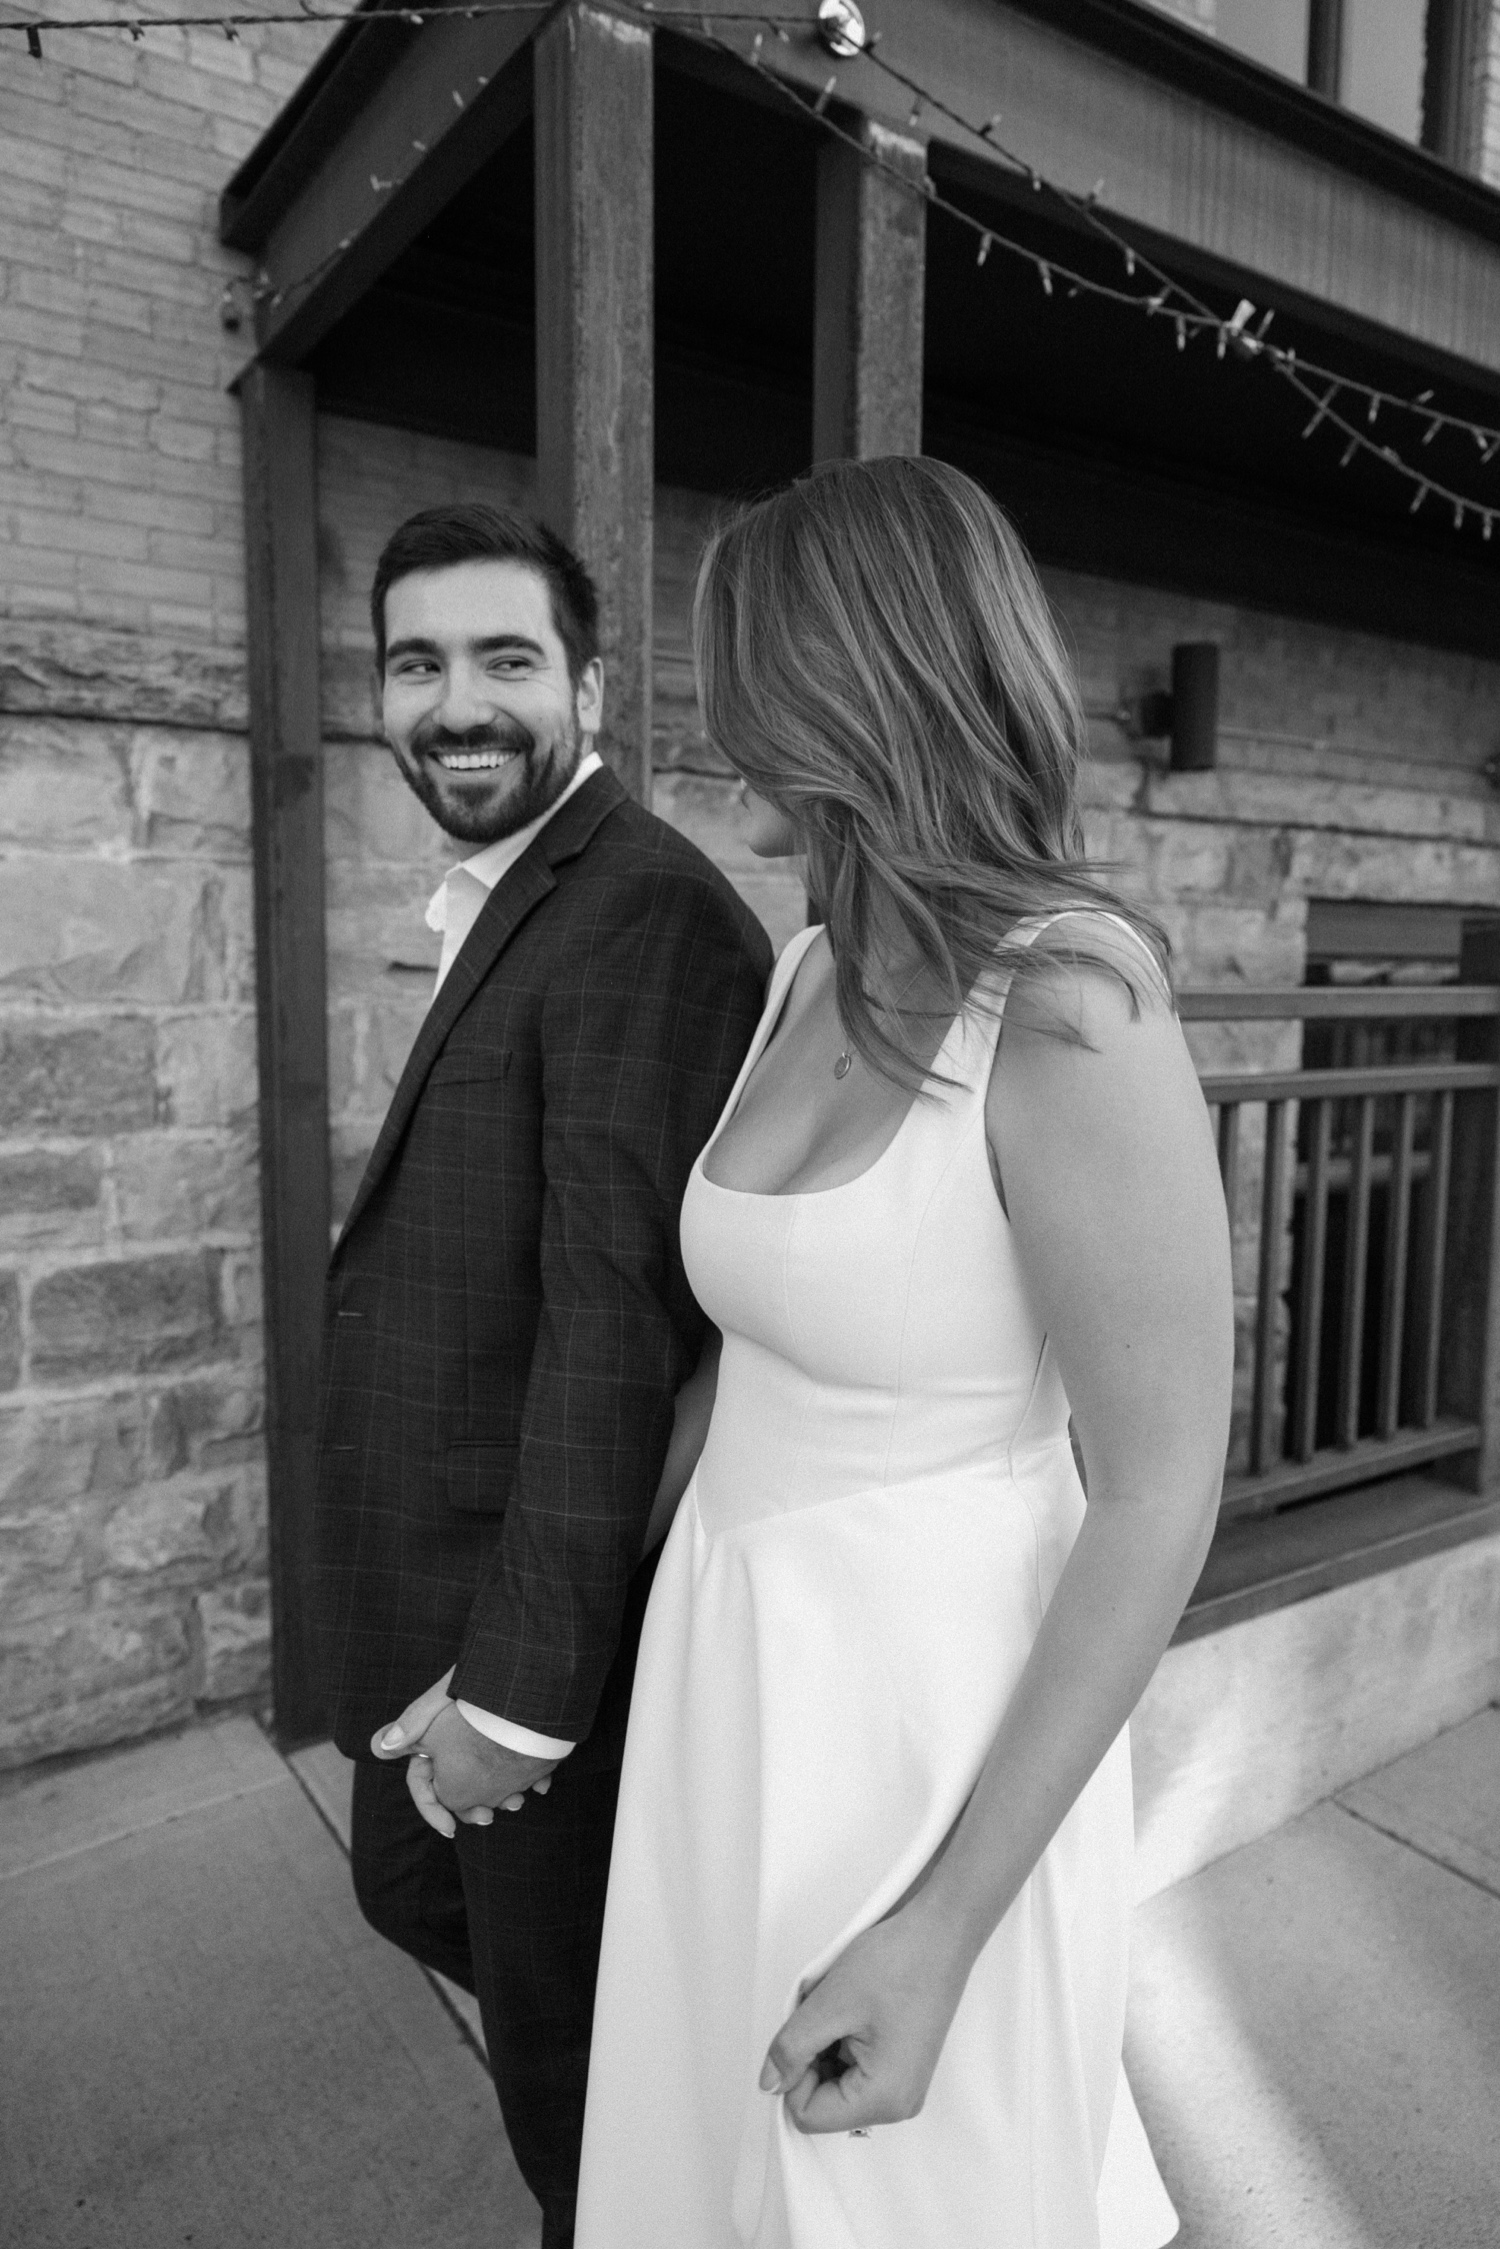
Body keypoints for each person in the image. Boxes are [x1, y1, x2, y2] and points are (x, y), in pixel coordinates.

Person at [575, 457, 1233, 2248]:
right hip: (729, 1675)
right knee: (719, 2166)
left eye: (741, 680)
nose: (713, 728)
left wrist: (944, 1924)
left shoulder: (1072, 1009)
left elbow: (1163, 1491)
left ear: (849, 690)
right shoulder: (804, 970)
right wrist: (548, 1639)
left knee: (889, 2196)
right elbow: (747, 1363)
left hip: (927, 1728)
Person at [313, 502, 772, 2249]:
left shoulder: (639, 912)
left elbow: (616, 1327)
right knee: (424, 1907)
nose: (457, 702)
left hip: (534, 1632)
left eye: (505, 658)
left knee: (583, 2113)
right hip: (439, 1598)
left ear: (588, 682)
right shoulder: (507, 898)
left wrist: (517, 1691)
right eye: (418, 662)